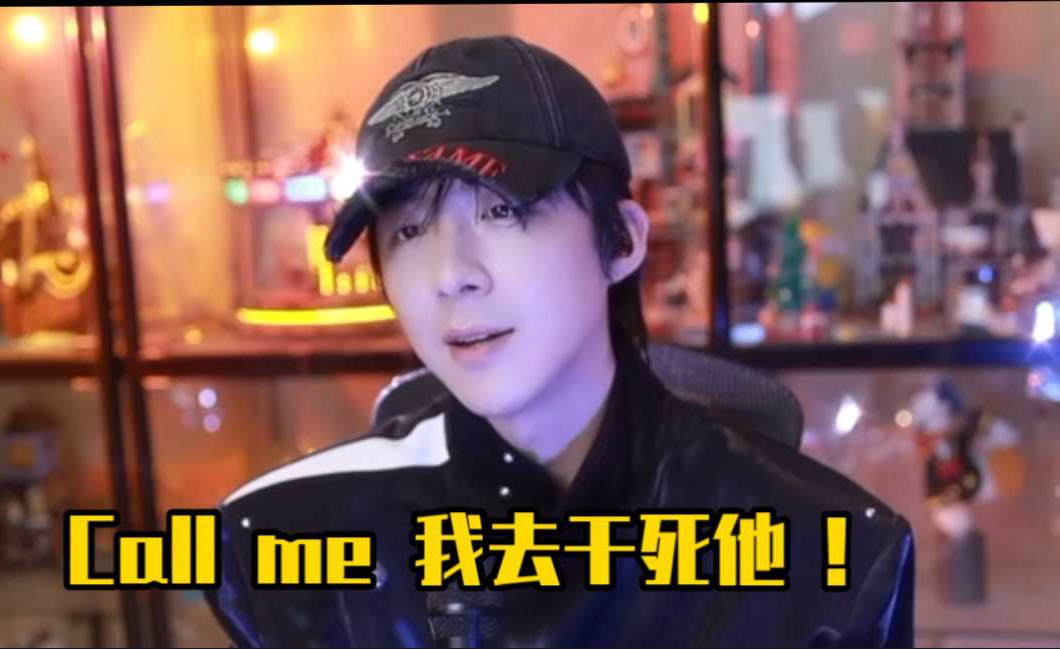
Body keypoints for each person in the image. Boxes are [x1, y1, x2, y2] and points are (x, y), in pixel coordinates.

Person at [206, 35, 915, 648]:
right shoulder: (280, 543)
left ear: (622, 240)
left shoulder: (832, 555)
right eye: (410, 230)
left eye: (503, 212)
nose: (452, 274)